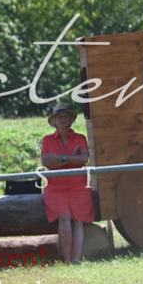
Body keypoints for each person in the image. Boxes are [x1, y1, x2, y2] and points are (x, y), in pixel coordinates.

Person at [40, 103, 94, 263]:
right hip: (56, 187)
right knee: (64, 217)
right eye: (60, 117)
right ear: (54, 121)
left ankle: (76, 259)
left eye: (66, 116)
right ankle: (67, 260)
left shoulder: (80, 138)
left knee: (78, 221)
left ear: (71, 121)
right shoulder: (47, 140)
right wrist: (70, 157)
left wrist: (60, 159)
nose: (63, 119)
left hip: (79, 185)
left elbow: (84, 158)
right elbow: (46, 161)